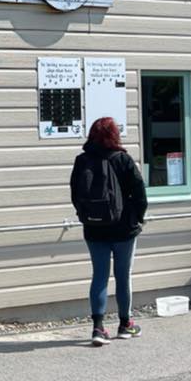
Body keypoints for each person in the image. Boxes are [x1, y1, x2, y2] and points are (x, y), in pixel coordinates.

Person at [70, 116, 148, 346]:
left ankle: (98, 328)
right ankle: (125, 324)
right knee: (123, 276)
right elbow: (140, 194)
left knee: (100, 276)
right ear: (115, 135)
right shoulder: (123, 159)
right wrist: (137, 218)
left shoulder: (82, 160)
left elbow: (75, 195)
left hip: (94, 229)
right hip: (124, 229)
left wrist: (87, 217)